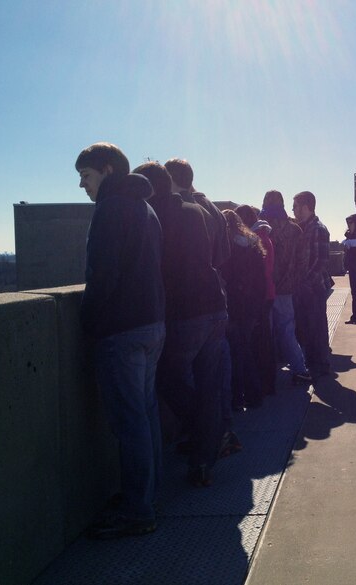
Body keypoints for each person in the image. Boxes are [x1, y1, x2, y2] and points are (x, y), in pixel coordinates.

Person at [75, 142, 165, 539]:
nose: (82, 186)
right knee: (145, 416)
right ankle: (146, 495)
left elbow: (103, 275)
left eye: (86, 176)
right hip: (152, 325)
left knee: (130, 423)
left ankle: (137, 510)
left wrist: (89, 323)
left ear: (107, 171)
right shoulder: (146, 209)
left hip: (122, 329)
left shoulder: (110, 209)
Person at [133, 162, 226, 488]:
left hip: (186, 312)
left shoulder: (152, 215)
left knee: (167, 378)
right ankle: (205, 457)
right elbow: (219, 255)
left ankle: (204, 436)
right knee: (209, 385)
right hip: (215, 305)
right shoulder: (195, 210)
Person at [260, 190, 312, 385]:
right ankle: (299, 369)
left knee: (265, 332)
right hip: (285, 290)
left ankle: (266, 375)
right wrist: (293, 282)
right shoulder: (295, 229)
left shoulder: (259, 228)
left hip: (263, 290)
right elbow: (303, 262)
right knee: (287, 331)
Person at [221, 209, 267, 408]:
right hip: (252, 306)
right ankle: (253, 394)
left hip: (235, 306)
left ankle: (239, 396)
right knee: (245, 350)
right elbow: (262, 280)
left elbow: (228, 279)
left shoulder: (228, 247)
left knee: (236, 353)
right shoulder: (253, 244)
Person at [235, 204, 277, 396]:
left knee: (259, 342)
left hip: (259, 295)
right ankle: (268, 382)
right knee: (265, 340)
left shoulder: (253, 239)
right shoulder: (264, 236)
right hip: (267, 293)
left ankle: (264, 383)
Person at [292, 191, 333, 377]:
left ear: (306, 206)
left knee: (316, 328)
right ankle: (312, 363)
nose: (293, 210)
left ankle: (321, 366)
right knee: (306, 328)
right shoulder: (303, 227)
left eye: (296, 206)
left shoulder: (317, 228)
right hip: (305, 288)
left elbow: (321, 261)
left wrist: (304, 283)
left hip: (314, 288)